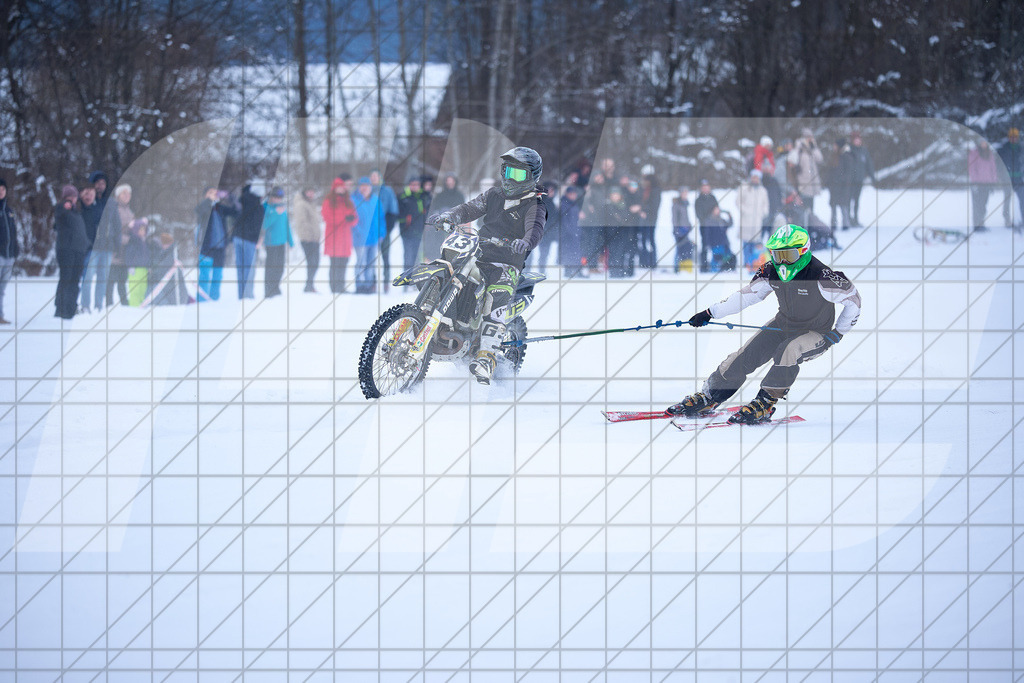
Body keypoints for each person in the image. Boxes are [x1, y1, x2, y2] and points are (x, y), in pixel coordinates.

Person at [667, 223, 862, 424]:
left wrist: (838, 333)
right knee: (744, 356)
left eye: (789, 256)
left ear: (803, 252)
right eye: (778, 256)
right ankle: (710, 396)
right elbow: (745, 297)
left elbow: (853, 301)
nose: (783, 262)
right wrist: (710, 313)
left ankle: (766, 401)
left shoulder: (822, 276)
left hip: (816, 333)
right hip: (783, 324)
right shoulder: (770, 271)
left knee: (788, 350)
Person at [427, 146, 547, 384]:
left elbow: (535, 229)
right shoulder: (494, 195)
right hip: (478, 253)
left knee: (496, 295)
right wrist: (450, 216)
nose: (511, 178)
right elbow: (470, 208)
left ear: (532, 177)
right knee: (448, 271)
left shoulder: (535, 204)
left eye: (519, 174)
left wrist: (525, 242)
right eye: (508, 170)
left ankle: (486, 356)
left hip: (506, 263)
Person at [53, 185, 90, 319]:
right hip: (66, 249)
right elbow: (58, 215)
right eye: (69, 197)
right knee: (66, 279)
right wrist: (64, 206)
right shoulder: (61, 208)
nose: (72, 199)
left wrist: (86, 243)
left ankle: (71, 307)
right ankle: (61, 309)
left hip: (79, 250)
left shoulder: (76, 212)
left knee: (75, 280)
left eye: (73, 197)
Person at [195, 187, 237, 301]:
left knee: (217, 275)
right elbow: (199, 210)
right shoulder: (203, 207)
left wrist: (230, 198)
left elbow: (236, 212)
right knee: (204, 275)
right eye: (210, 193)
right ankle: (202, 299)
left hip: (220, 247)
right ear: (205, 196)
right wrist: (209, 200)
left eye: (215, 192)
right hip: (206, 246)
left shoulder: (220, 208)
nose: (214, 195)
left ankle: (214, 299)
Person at [322, 175, 357, 294]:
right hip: (334, 238)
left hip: (345, 238)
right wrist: (344, 218)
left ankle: (341, 286)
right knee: (335, 264)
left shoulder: (348, 202)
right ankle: (334, 287)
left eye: (342, 187)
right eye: (338, 187)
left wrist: (351, 219)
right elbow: (327, 217)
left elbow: (355, 218)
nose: (341, 190)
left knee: (344, 263)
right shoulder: (328, 201)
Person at [352, 177, 386, 294]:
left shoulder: (376, 200)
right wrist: (358, 232)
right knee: (360, 263)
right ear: (359, 187)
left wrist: (381, 233)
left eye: (367, 186)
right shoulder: (353, 200)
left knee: (371, 263)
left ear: (371, 188)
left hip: (374, 238)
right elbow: (352, 220)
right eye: (362, 186)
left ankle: (368, 285)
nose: (365, 188)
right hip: (360, 238)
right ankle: (359, 285)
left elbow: (381, 218)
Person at [103, 184, 135, 307]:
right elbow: (113, 230)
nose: (127, 196)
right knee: (111, 279)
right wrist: (127, 239)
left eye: (129, 193)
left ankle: (124, 302)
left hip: (125, 252)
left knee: (122, 279)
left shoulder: (129, 210)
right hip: (115, 250)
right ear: (118, 195)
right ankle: (108, 303)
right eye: (124, 193)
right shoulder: (113, 208)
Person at [424, 174, 465, 261]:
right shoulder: (440, 196)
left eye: (451, 181)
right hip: (441, 227)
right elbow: (434, 209)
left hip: (455, 225)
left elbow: (463, 210)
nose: (450, 183)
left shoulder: (459, 196)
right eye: (448, 181)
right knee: (439, 245)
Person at [735, 169, 770, 272]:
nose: (755, 179)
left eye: (757, 177)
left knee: (756, 244)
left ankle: (755, 264)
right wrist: (745, 211)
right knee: (746, 243)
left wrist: (763, 213)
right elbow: (738, 202)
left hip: (757, 221)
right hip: (746, 221)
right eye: (753, 177)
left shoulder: (763, 190)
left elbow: (766, 204)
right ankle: (747, 263)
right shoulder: (744, 188)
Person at [234, 182, 264, 299]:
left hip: (237, 237)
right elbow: (257, 225)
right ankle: (248, 295)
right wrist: (258, 239)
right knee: (249, 268)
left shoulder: (241, 201)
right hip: (249, 239)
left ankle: (241, 295)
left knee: (240, 268)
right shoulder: (258, 207)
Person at [262, 186, 293, 298]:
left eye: (280, 197)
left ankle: (275, 287)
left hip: (281, 242)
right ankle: (268, 289)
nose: (277, 199)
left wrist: (291, 241)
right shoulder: (266, 207)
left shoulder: (282, 208)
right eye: (275, 197)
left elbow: (286, 225)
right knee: (271, 266)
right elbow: (264, 224)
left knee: (280, 267)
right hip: (271, 242)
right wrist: (275, 213)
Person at [371, 170, 400, 288]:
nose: (374, 179)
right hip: (371, 231)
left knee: (385, 256)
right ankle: (372, 281)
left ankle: (386, 281)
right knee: (370, 257)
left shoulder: (387, 191)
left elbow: (393, 210)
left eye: (376, 176)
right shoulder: (368, 191)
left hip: (384, 228)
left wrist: (388, 227)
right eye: (372, 177)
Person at [694, 180, 730, 272]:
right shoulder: (698, 200)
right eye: (704, 187)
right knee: (705, 245)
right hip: (705, 227)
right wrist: (708, 219)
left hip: (715, 226)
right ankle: (704, 266)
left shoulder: (713, 198)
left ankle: (719, 264)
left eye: (707, 186)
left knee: (717, 245)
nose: (705, 188)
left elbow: (717, 210)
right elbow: (699, 215)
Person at [291, 186, 321, 292]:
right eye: (309, 191)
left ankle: (310, 284)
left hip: (314, 238)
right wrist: (309, 236)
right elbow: (302, 222)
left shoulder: (311, 204)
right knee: (312, 262)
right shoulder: (301, 204)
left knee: (316, 262)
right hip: (307, 238)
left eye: (312, 191)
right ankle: (309, 285)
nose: (311, 194)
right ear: (304, 192)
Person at [77, 185, 103, 312]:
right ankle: (83, 304)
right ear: (81, 195)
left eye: (92, 194)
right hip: (79, 249)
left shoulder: (97, 210)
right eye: (86, 194)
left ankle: (92, 305)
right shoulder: (77, 209)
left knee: (90, 277)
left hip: (94, 249)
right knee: (82, 278)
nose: (89, 197)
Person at [788, 127, 824, 213]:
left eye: (810, 137)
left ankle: (810, 223)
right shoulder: (799, 148)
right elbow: (792, 159)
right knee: (803, 208)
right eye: (807, 137)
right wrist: (799, 147)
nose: (809, 139)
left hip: (812, 183)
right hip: (802, 183)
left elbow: (820, 159)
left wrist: (814, 147)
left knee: (811, 208)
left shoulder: (812, 148)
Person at [968, 139, 999, 232]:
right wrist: (976, 182)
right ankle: (977, 225)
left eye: (985, 142)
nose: (984, 144)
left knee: (984, 205)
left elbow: (993, 169)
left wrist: (993, 182)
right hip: (977, 184)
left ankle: (982, 223)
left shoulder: (990, 153)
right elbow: (972, 169)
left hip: (987, 184)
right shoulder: (974, 153)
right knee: (977, 205)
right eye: (982, 142)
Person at [397, 177, 428, 270]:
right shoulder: (402, 197)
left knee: (418, 256)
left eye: (417, 185)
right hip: (407, 232)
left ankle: (416, 279)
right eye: (413, 184)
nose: (415, 187)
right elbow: (398, 214)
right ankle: (406, 279)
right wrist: (406, 220)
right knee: (408, 256)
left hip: (420, 231)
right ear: (409, 185)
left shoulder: (423, 196)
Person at [847, 132, 875, 227]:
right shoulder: (848, 150)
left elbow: (869, 164)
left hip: (859, 180)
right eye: (856, 139)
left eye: (859, 139)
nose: (858, 141)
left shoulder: (864, 151)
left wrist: (872, 177)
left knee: (856, 201)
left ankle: (855, 219)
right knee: (848, 201)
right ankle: (848, 219)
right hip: (850, 181)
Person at [997, 127, 1023, 228]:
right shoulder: (1004, 149)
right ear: (1009, 137)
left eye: (1015, 137)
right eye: (1011, 137)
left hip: (1019, 179)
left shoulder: (1021, 148)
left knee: (1022, 200)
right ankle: (1007, 220)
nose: (1013, 138)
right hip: (1007, 178)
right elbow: (999, 163)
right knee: (1007, 199)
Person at [636, 166, 660, 269]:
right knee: (643, 240)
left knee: (649, 240)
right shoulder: (643, 189)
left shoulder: (655, 190)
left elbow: (654, 205)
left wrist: (644, 210)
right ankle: (644, 262)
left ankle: (651, 262)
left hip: (650, 219)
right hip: (642, 218)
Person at [124, 217, 151, 307]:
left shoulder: (144, 241)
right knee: (135, 289)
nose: (143, 232)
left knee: (142, 288)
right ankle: (134, 306)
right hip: (135, 269)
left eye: (144, 230)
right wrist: (130, 266)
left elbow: (147, 255)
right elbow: (128, 255)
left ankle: (141, 304)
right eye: (141, 230)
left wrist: (148, 266)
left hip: (143, 269)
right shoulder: (133, 241)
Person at [0, 178, 16, 324]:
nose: (1, 191)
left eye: (3, 189)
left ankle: (0, 315)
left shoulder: (9, 210)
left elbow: (13, 232)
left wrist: (15, 251)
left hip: (9, 255)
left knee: (2, 288)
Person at [558, 185, 582, 278]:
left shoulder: (573, 203)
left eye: (574, 194)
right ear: (567, 194)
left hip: (575, 231)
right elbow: (564, 221)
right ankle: (568, 271)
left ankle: (576, 270)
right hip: (568, 233)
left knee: (576, 252)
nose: (573, 195)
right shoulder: (564, 204)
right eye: (571, 194)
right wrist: (571, 232)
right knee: (568, 252)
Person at [671, 187, 694, 273]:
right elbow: (674, 218)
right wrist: (677, 229)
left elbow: (686, 217)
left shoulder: (685, 203)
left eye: (686, 192)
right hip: (679, 230)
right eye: (684, 192)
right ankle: (677, 268)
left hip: (686, 230)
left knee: (687, 248)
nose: (685, 194)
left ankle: (686, 268)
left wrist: (689, 225)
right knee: (679, 249)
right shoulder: (676, 204)